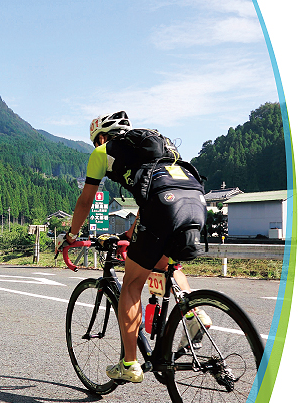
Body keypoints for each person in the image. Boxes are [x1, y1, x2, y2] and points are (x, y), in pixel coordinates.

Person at [58, 111, 208, 383]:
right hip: (195, 201)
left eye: (96, 141)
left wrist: (71, 235)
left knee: (131, 284)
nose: (97, 146)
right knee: (167, 265)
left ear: (101, 137)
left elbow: (85, 201)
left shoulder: (103, 152)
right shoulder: (155, 147)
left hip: (162, 204)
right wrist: (131, 231)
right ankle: (194, 312)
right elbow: (151, 194)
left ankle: (129, 363)